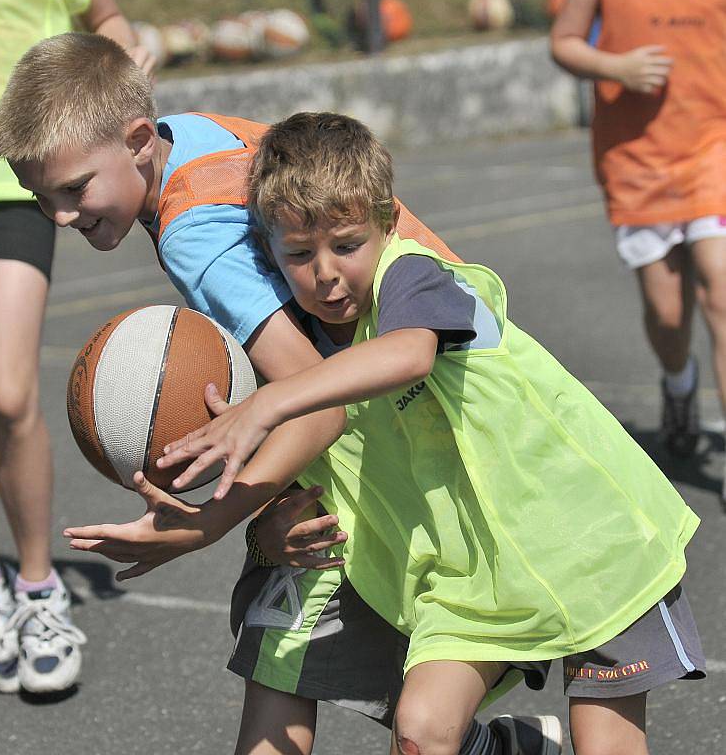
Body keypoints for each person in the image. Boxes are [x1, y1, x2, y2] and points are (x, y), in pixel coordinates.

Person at [0, 33, 562, 755]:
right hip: (459, 407)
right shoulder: (196, 136)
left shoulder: (193, 233)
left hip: (431, 447)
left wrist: (210, 523)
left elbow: (317, 398)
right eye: (39, 198)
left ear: (138, 140)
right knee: (300, 656)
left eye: (74, 190)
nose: (60, 216)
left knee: (340, 662)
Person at [66, 111, 704, 755]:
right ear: (268, 248)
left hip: (589, 539)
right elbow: (328, 434)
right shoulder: (296, 339)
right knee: (422, 731)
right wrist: (227, 515)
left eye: (346, 245)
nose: (325, 274)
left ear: (388, 224)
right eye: (297, 255)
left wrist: (265, 409)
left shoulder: (413, 277)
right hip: (478, 571)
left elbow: (408, 355)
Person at [0, 0, 155, 694]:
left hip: (21, 176)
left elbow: (104, 17)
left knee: (7, 393)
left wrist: (128, 53)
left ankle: (38, 589)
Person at [549, 0, 726, 501]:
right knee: (669, 315)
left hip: (713, 146)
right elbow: (564, 42)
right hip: (637, 160)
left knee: (721, 292)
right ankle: (679, 381)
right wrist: (616, 67)